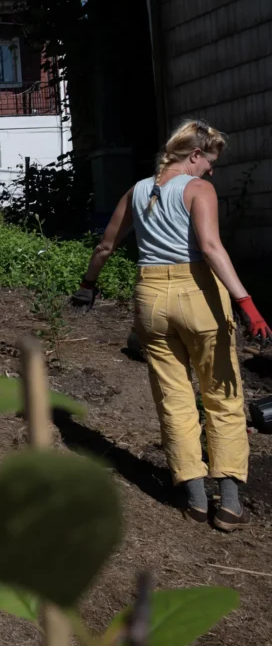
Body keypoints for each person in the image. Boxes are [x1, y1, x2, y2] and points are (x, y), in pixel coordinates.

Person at [73, 119, 268, 532]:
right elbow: (212, 248)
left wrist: (88, 285)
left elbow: (106, 245)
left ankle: (195, 498)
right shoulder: (199, 190)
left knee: (174, 398)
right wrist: (247, 304)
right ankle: (229, 503)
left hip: (150, 299)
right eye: (209, 161)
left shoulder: (137, 191)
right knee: (222, 395)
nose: (211, 170)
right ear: (194, 155)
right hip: (197, 293)